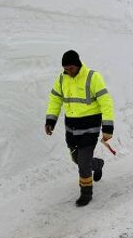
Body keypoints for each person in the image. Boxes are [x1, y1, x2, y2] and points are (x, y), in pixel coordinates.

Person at [45, 50, 114, 206]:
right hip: (71, 129)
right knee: (77, 159)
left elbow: (106, 102)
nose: (68, 71)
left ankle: (86, 193)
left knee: (83, 163)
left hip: (90, 128)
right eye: (65, 68)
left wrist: (107, 127)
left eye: (71, 68)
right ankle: (97, 164)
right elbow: (55, 100)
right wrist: (50, 120)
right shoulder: (62, 78)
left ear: (78, 64)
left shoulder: (92, 77)